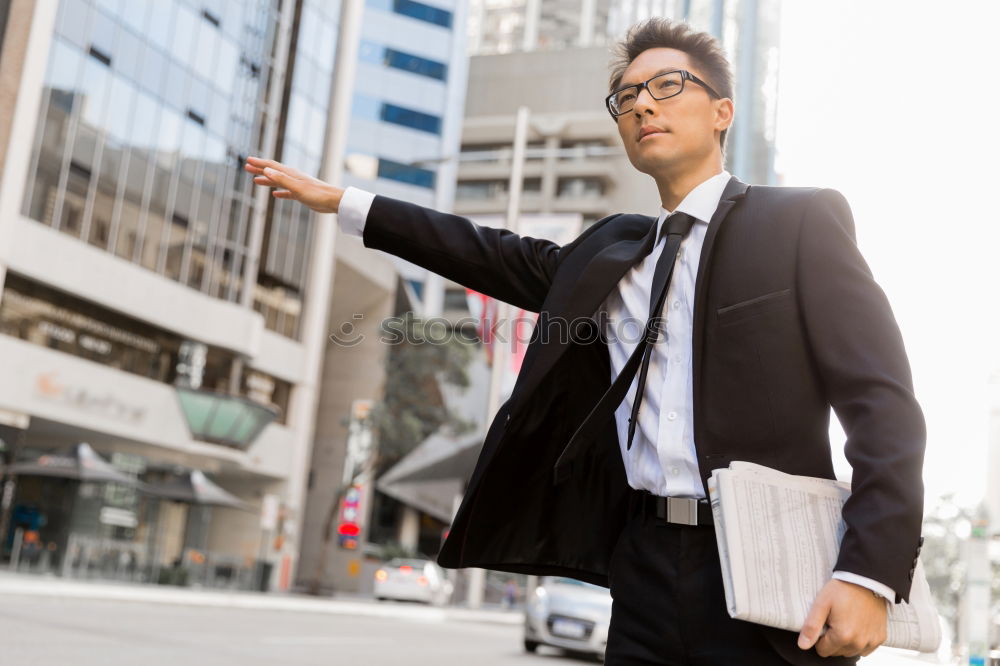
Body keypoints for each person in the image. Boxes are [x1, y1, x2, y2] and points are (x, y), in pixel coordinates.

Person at [245, 17, 925, 665]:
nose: (641, 107)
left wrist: (868, 571)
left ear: (722, 111)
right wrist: (347, 204)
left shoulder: (798, 222)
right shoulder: (616, 251)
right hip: (644, 568)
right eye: (625, 97)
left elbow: (882, 404)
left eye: (666, 86)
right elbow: (488, 251)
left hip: (770, 569)